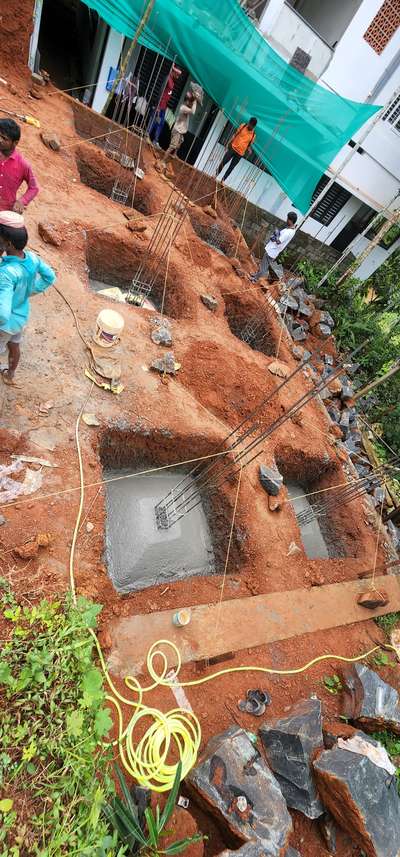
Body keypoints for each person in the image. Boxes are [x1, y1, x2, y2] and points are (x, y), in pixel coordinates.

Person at [0, 211, 55, 384]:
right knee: (14, 346)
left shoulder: (6, 274)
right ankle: (10, 375)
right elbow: (50, 277)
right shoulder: (32, 258)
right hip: (22, 317)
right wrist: (31, 290)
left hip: (6, 324)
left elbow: (2, 314)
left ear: (8, 243)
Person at [0, 119, 39, 213]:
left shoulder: (23, 165)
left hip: (5, 212)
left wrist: (22, 201)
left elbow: (34, 188)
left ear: (15, 143)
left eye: (4, 138)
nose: (0, 140)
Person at [250, 211, 298, 284]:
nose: (286, 220)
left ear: (290, 220)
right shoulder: (291, 230)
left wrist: (276, 235)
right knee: (263, 265)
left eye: (288, 219)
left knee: (263, 267)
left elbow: (279, 241)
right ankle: (256, 275)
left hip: (272, 251)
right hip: (272, 250)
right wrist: (277, 234)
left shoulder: (288, 232)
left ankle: (255, 279)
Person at [159, 91, 197, 170]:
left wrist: (194, 99)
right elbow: (193, 111)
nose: (191, 103)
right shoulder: (183, 108)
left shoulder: (186, 107)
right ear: (187, 101)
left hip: (181, 130)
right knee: (172, 146)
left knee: (180, 142)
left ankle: (174, 154)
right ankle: (162, 161)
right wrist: (195, 101)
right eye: (190, 102)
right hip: (177, 130)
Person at [148, 65, 182, 148]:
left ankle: (154, 140)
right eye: (177, 75)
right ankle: (147, 136)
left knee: (160, 123)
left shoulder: (172, 81)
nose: (177, 77)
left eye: (179, 76)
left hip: (163, 107)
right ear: (173, 72)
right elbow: (161, 91)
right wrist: (158, 106)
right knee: (154, 120)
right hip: (159, 106)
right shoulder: (168, 78)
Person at [216, 118, 257, 182]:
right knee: (224, 162)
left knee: (231, 167)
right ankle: (215, 175)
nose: (250, 126)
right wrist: (228, 143)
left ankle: (223, 180)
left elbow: (248, 145)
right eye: (249, 124)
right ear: (249, 122)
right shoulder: (243, 126)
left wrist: (249, 150)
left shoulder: (253, 135)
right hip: (233, 148)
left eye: (251, 125)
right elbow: (235, 135)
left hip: (240, 154)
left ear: (254, 126)